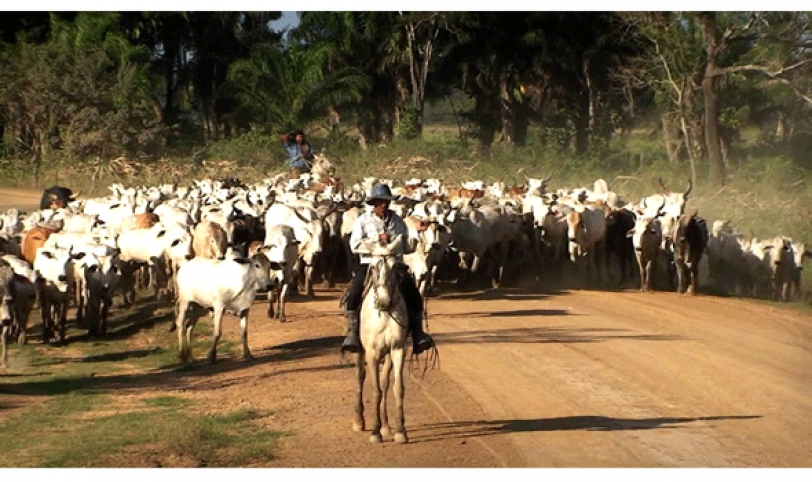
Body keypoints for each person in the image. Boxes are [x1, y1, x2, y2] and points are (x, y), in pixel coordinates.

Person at [341, 183, 435, 356]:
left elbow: (407, 247)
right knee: (354, 293)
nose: (384, 205)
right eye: (381, 202)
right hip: (370, 263)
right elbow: (354, 245)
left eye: (387, 201)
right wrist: (377, 240)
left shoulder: (398, 221)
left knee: (414, 295)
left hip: (394, 264)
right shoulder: (363, 220)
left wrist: (418, 233)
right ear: (374, 203)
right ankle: (352, 334)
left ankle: (418, 335)